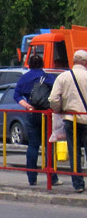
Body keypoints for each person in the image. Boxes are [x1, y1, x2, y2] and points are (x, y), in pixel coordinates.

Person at [48, 48, 87, 193]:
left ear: (74, 61)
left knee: (74, 151)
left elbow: (53, 99)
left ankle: (78, 184)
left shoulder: (64, 77)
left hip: (71, 118)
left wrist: (58, 109)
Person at [13, 54, 55, 186]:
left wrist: (28, 106)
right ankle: (52, 177)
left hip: (32, 114)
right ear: (42, 64)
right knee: (49, 145)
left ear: (29, 64)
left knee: (33, 145)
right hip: (46, 114)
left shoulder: (25, 78)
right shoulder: (48, 77)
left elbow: (16, 95)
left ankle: (32, 178)